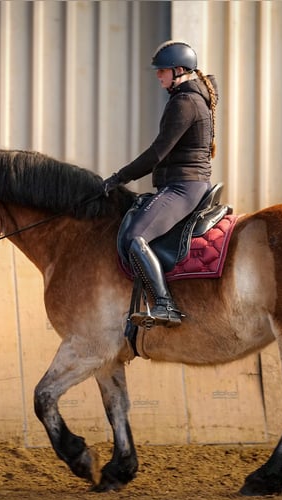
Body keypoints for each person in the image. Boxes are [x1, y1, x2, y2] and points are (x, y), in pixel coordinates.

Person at [103, 40, 218, 328]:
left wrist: (119, 177)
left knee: (134, 237)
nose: (158, 76)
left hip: (183, 187)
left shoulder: (184, 102)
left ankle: (165, 304)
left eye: (162, 71)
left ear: (179, 70)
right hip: (187, 184)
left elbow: (157, 153)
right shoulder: (191, 97)